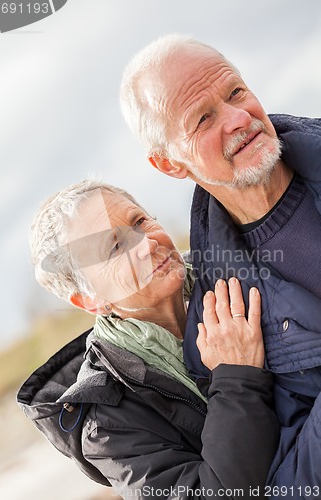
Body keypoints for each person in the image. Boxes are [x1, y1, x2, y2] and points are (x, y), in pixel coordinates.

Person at [119, 34, 321, 494]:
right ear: (170, 164)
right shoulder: (220, 329)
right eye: (203, 118)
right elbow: (288, 485)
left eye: (236, 92)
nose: (238, 118)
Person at [17, 180, 278, 500]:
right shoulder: (108, 425)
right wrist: (237, 378)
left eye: (140, 221)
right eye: (114, 247)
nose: (146, 244)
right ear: (90, 300)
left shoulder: (240, 271)